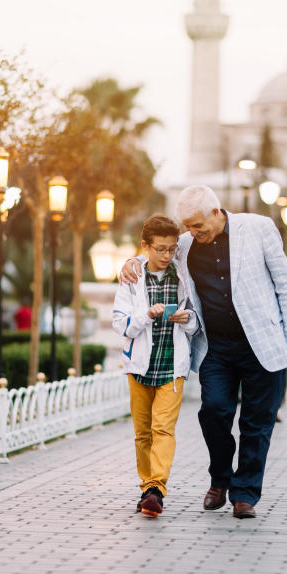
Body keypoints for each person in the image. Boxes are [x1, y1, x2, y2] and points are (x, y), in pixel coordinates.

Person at [119, 185, 287, 520]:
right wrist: (129, 263)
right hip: (216, 346)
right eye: (187, 226)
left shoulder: (259, 228)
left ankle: (245, 494)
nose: (191, 232)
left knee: (256, 423)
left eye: (197, 225)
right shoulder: (187, 243)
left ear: (216, 213)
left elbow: (285, 283)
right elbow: (155, 254)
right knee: (215, 412)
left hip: (262, 342)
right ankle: (220, 477)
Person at [112, 215, 200, 517]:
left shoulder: (183, 276)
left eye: (171, 249)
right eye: (160, 249)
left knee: (163, 428)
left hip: (171, 366)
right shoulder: (132, 278)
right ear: (145, 246)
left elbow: (196, 321)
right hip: (139, 366)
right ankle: (146, 485)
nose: (166, 256)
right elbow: (120, 324)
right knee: (143, 433)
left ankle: (155, 490)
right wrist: (146, 315)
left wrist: (187, 320)